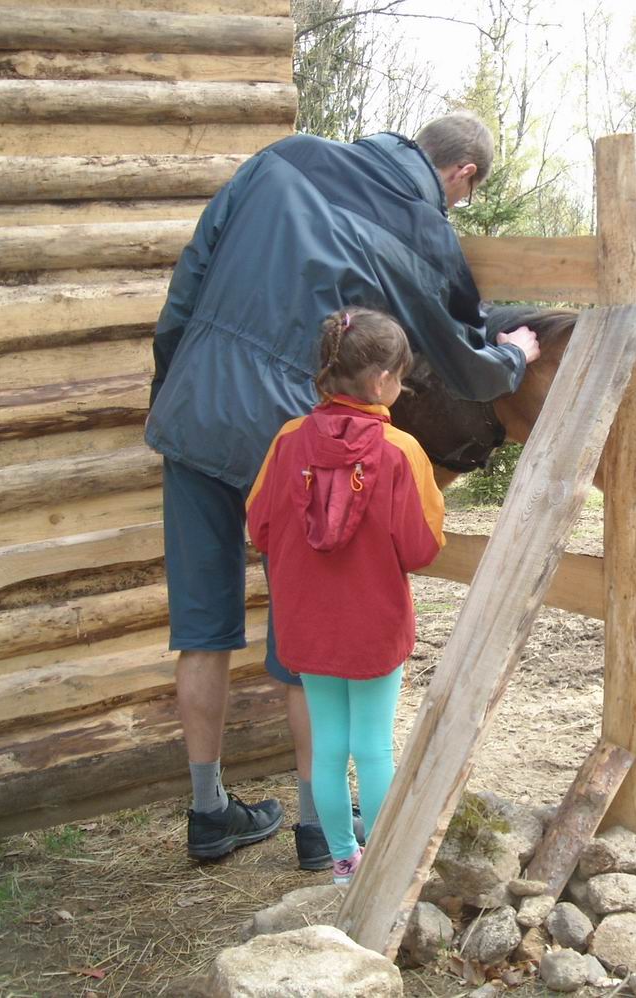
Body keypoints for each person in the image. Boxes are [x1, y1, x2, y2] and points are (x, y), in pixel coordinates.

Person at [145, 110, 540, 864]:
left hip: (194, 414)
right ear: (462, 174)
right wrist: (513, 360)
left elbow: (190, 278)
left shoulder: (283, 157)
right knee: (305, 639)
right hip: (289, 439)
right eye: (461, 198)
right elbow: (458, 349)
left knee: (201, 626)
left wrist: (176, 385)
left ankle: (206, 812)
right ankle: (314, 828)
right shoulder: (417, 223)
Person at [246, 307, 443, 883]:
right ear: (382, 383)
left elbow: (257, 525)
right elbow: (422, 546)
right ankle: (381, 867)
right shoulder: (401, 451)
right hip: (374, 623)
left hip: (306, 622)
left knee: (329, 746)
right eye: (401, 378)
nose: (401, 389)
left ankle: (342, 862)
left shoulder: (286, 442)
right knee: (374, 747)